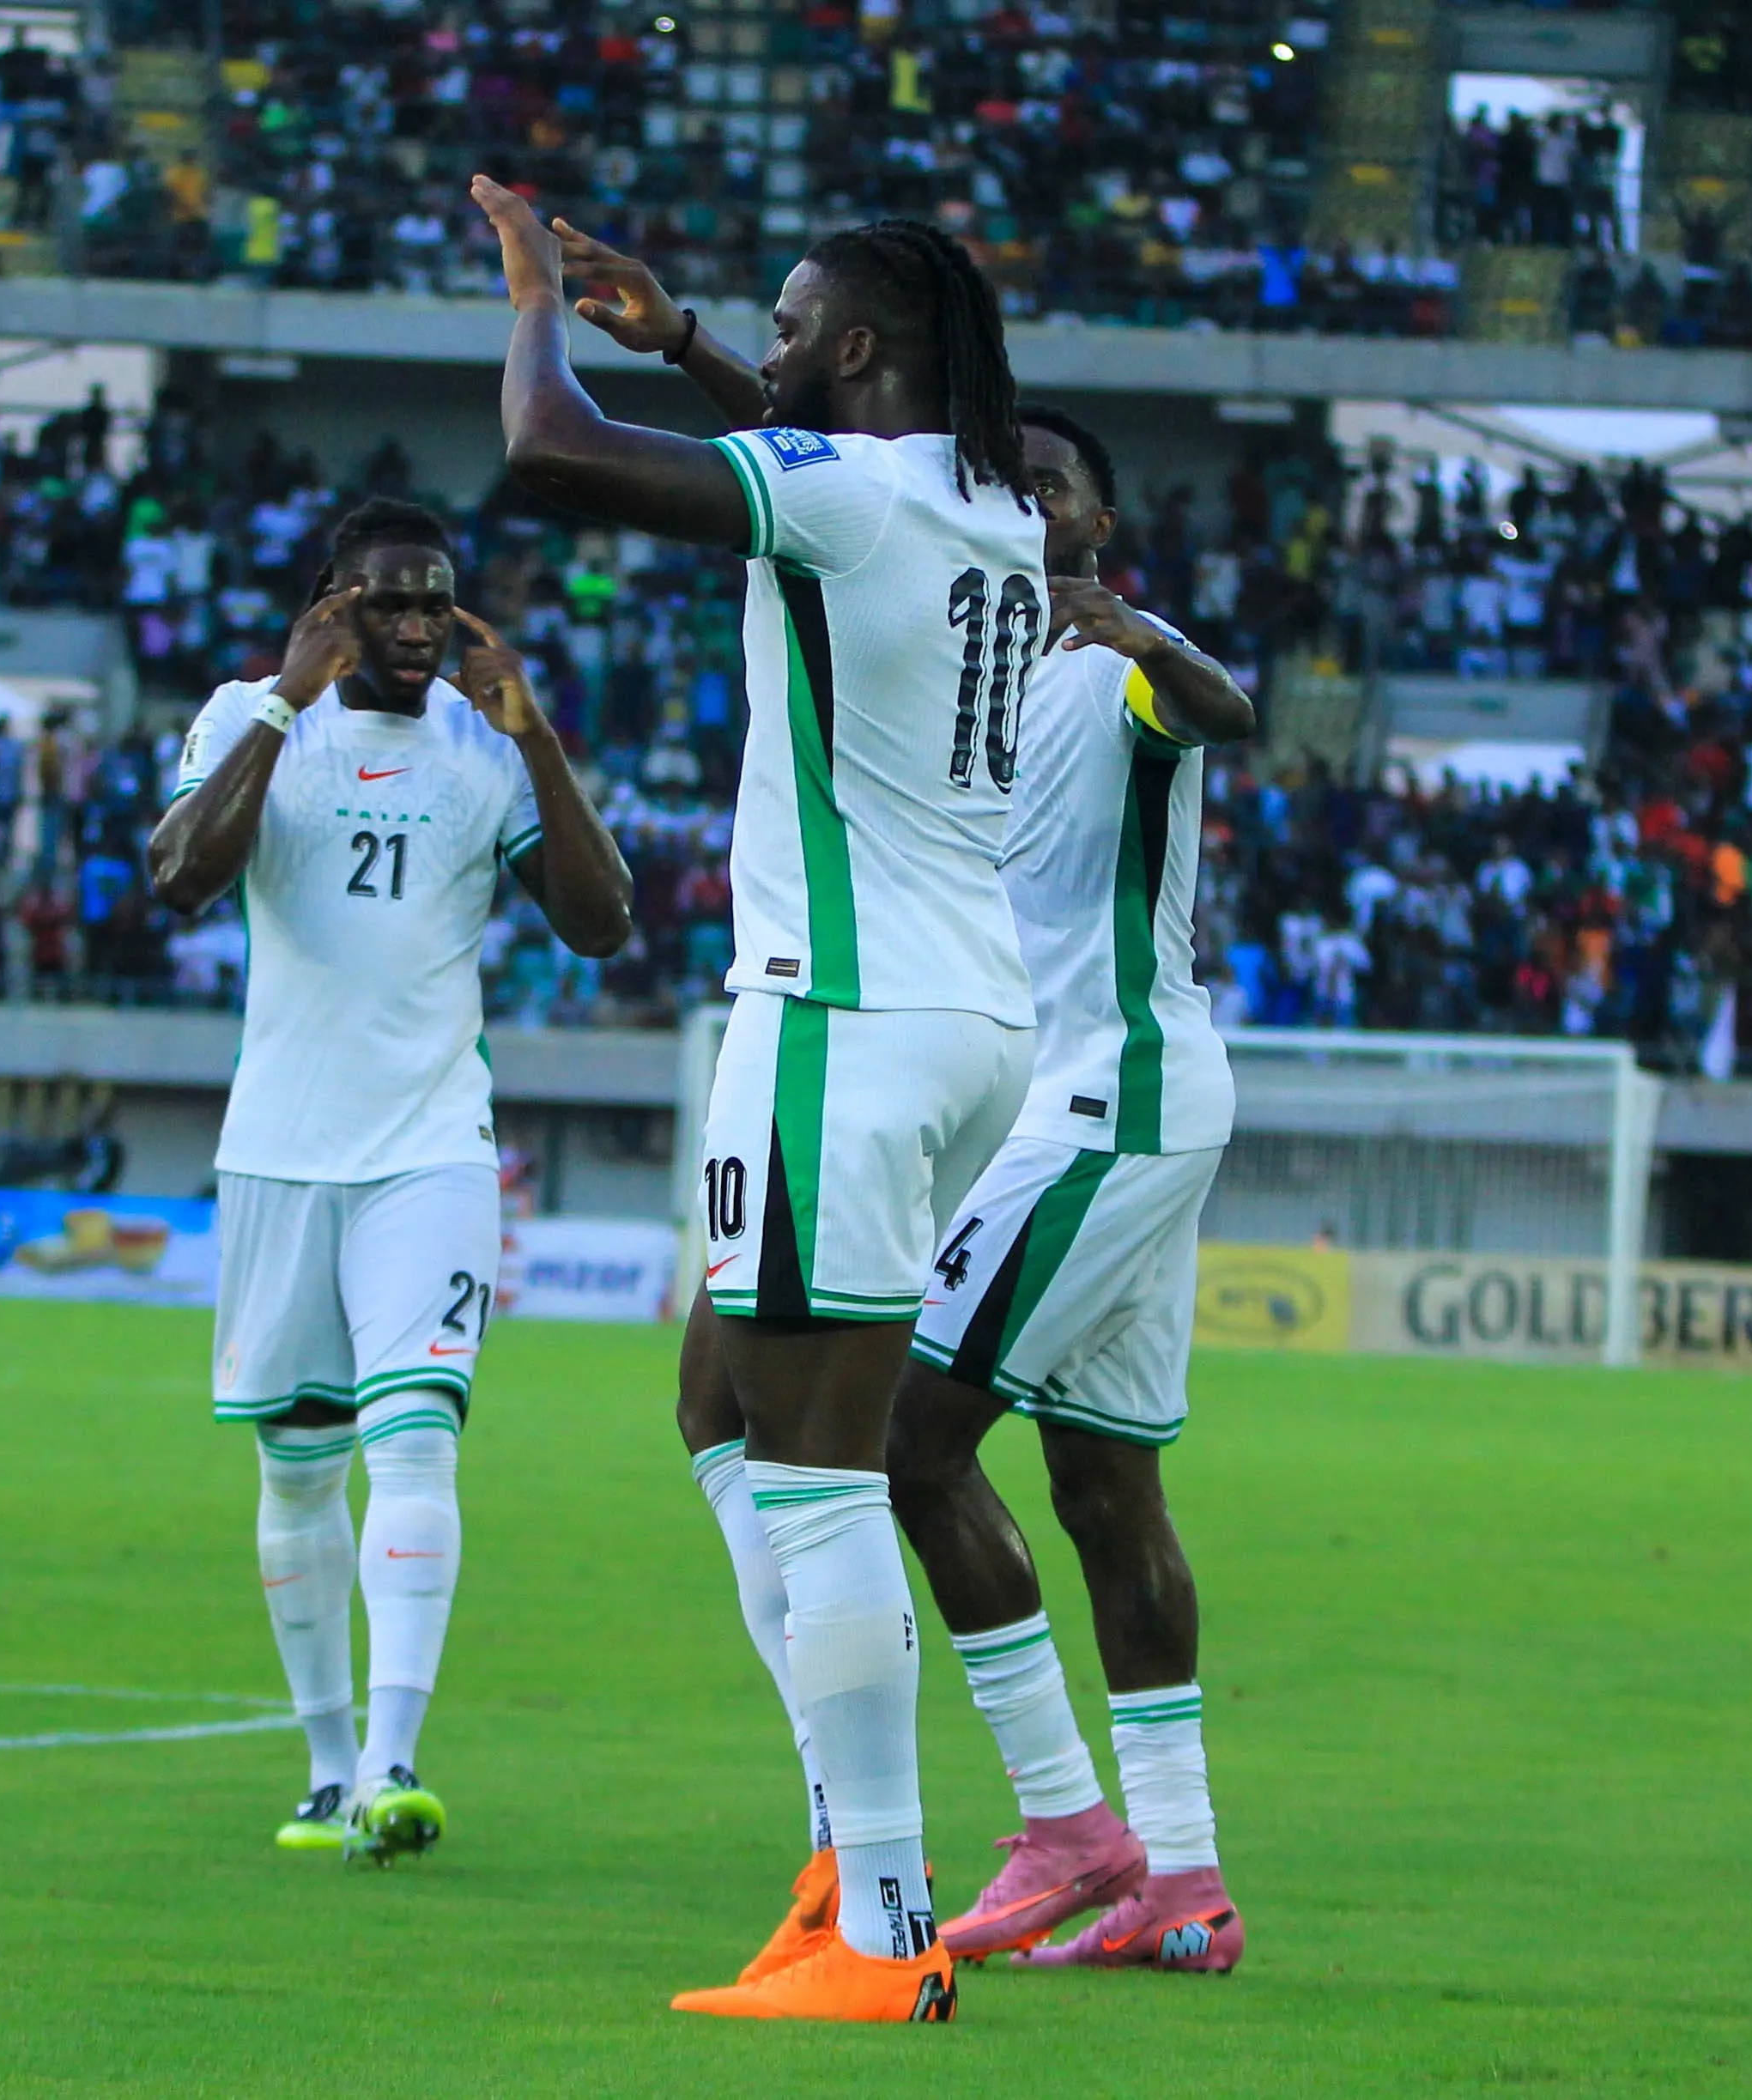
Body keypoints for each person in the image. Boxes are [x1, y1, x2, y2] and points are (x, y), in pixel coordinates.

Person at [475, 177, 1040, 2021]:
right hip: (968, 1018)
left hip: (833, 1021)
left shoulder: (850, 494)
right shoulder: (992, 507)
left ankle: (877, 1917)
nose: (773, 345)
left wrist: (536, 295)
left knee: (813, 1470)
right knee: (724, 1394)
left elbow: (546, 458)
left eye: (794, 322)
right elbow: (819, 469)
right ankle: (845, 1843)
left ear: (860, 349)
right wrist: (699, 350)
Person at [148, 497, 634, 1866]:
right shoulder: (247, 714)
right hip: (281, 1151)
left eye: (435, 600)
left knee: (413, 1438)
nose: (416, 624)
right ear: (329, 603)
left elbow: (601, 923)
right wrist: (283, 705)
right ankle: (320, 1765)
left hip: (432, 1147)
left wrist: (536, 733)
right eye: (386, 600)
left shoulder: (488, 750)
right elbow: (178, 874)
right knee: (298, 1466)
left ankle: (392, 1762)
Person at [890, 405, 1254, 1972]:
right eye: (997, 486)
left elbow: (1223, 713)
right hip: (1077, 1107)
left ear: (1096, 524)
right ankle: (1183, 1880)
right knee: (1108, 1493)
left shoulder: (1121, 658)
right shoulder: (955, 676)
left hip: (1114, 1100)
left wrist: (1137, 637)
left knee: (910, 1441)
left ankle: (1065, 1822)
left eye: (1050, 490)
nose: (1023, 511)